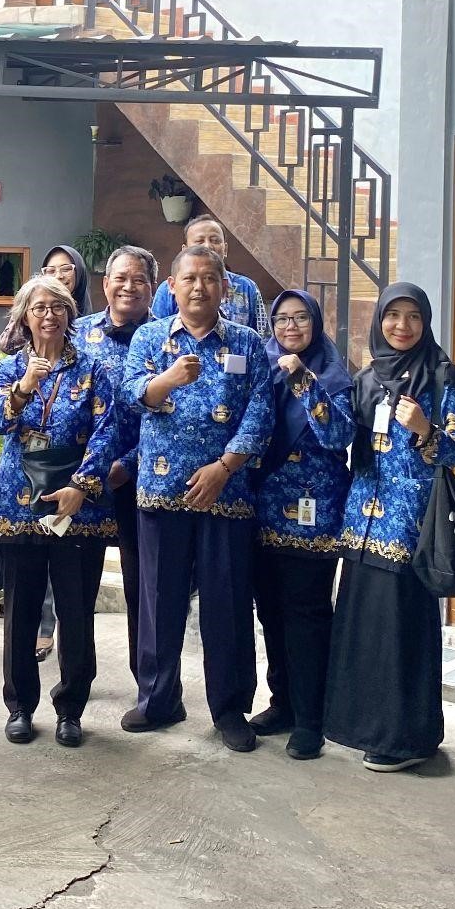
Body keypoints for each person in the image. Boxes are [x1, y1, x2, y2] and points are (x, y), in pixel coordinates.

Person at [119, 244, 274, 751]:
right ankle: (158, 699)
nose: (199, 287)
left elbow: (260, 413)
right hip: (162, 491)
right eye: (189, 278)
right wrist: (167, 379)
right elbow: (130, 395)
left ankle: (230, 709)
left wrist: (225, 468)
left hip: (225, 493)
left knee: (226, 606)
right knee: (159, 603)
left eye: (210, 278)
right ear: (173, 287)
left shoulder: (248, 343)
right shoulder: (149, 337)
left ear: (225, 287)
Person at [324, 282, 455, 772]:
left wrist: (426, 431)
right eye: (393, 316)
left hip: (412, 526)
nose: (402, 326)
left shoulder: (443, 376)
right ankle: (362, 727)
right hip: (362, 525)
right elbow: (342, 439)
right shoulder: (367, 378)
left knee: (401, 633)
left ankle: (406, 737)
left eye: (413, 316)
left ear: (426, 322)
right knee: (363, 630)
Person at [0, 275, 117, 747]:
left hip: (77, 505)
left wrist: (82, 486)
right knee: (20, 611)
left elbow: (108, 431)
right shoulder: (7, 368)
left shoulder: (94, 369)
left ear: (70, 315)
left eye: (58, 307)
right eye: (39, 307)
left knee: (76, 611)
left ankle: (71, 709)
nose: (49, 315)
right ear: (24, 317)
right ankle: (20, 706)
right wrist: (24, 386)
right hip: (19, 502)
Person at [249, 289, 354, 761]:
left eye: (300, 318)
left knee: (307, 614)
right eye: (281, 319)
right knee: (269, 611)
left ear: (315, 323)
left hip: (315, 513)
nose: (290, 327)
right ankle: (283, 703)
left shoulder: (332, 373)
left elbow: (338, 436)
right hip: (262, 509)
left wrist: (304, 381)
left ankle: (313, 718)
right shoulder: (260, 365)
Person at [74, 245, 156, 683]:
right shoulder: (79, 333)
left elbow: (176, 414)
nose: (128, 287)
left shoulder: (166, 339)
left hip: (142, 479)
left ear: (153, 287)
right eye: (119, 278)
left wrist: (126, 464)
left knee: (142, 585)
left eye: (138, 279)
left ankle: (147, 680)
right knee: (78, 584)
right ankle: (77, 681)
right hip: (87, 478)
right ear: (104, 285)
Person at [147, 216, 270, 338]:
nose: (208, 246)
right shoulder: (168, 290)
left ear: (225, 249)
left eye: (215, 241)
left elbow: (263, 338)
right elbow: (155, 336)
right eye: (199, 241)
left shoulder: (246, 287)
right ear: (184, 250)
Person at [39, 244, 94, 317]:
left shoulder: (93, 324)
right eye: (51, 271)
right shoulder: (36, 316)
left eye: (66, 269)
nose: (58, 276)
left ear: (79, 273)